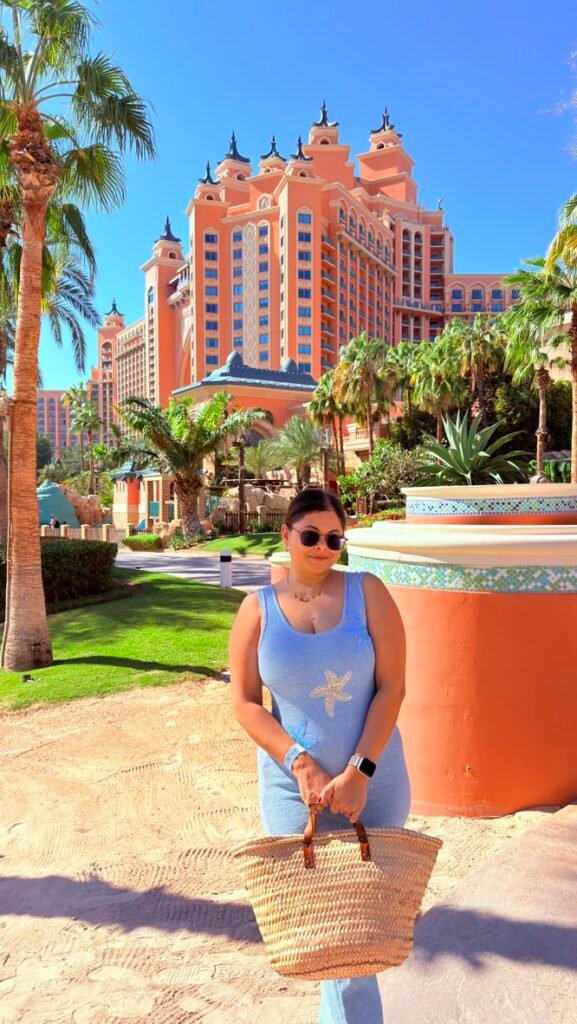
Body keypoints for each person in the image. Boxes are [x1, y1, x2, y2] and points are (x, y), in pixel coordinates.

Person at [229, 487, 411, 1024]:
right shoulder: (255, 609)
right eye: (310, 535)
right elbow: (243, 703)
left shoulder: (369, 592)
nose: (322, 546)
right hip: (294, 793)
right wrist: (300, 763)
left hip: (374, 787)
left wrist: (360, 770)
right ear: (285, 535)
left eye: (334, 538)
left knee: (354, 938)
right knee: (330, 940)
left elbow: (393, 688)